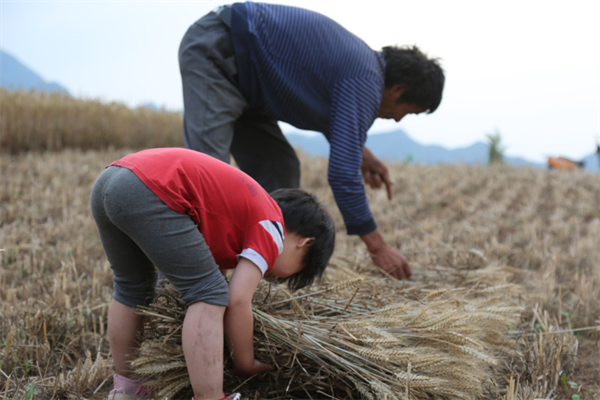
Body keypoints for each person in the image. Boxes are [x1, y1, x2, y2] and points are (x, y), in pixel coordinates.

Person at [179, 2, 445, 280]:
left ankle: (264, 263)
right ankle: (187, 285)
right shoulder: (366, 79)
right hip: (221, 48)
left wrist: (360, 153)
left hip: (251, 85)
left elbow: (338, 125)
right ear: (399, 89)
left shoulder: (363, 71)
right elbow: (343, 175)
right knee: (208, 178)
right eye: (409, 111)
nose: (400, 120)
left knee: (278, 167)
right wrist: (378, 248)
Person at [90, 148, 335, 400]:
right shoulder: (273, 226)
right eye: (296, 271)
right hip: (148, 186)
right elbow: (237, 300)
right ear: (303, 243)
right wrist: (245, 362)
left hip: (111, 180)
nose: (278, 279)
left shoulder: (238, 216)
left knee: (132, 287)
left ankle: (129, 390)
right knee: (209, 293)